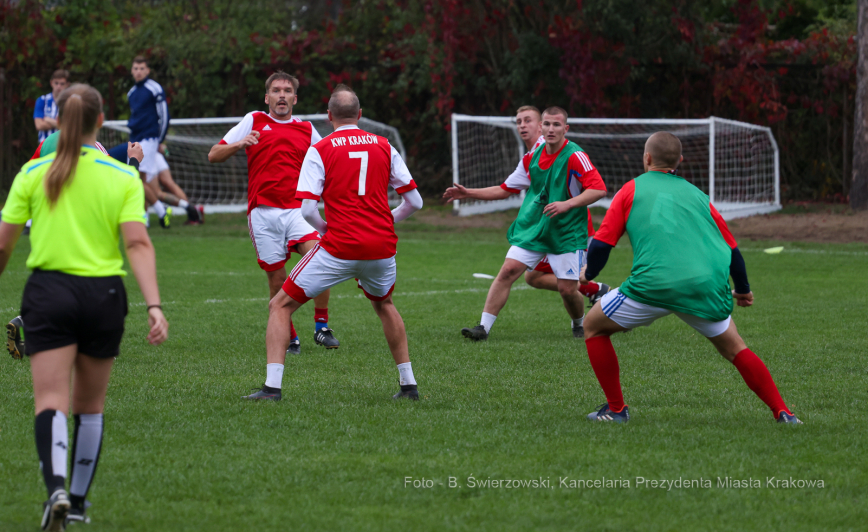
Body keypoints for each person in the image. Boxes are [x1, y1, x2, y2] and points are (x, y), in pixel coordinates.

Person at [0, 84, 169, 530]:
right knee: (92, 407)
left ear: (57, 122)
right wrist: (154, 304)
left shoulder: (33, 172)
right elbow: (138, 243)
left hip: (49, 294)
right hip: (105, 297)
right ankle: (77, 503)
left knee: (50, 401)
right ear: (101, 123)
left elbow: (2, 244)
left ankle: (56, 487)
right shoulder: (122, 175)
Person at [579, 132, 801, 424]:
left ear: (646, 158)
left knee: (593, 325)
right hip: (704, 286)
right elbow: (733, 250)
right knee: (735, 348)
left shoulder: (630, 189)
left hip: (653, 286)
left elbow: (601, 245)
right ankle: (783, 412)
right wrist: (743, 289)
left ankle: (617, 410)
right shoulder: (699, 196)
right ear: (680, 161)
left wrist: (588, 274)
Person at [244, 85, 423, 400]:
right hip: (381, 246)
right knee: (384, 305)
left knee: (280, 305)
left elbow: (307, 209)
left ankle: (272, 388)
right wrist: (384, 221)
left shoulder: (322, 148)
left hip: (340, 246)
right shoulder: (384, 145)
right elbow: (415, 202)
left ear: (328, 117)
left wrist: (326, 227)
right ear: (360, 115)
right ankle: (408, 385)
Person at [444, 106, 607, 340]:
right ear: (543, 127)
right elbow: (504, 189)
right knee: (508, 270)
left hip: (566, 232)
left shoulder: (575, 155)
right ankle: (483, 327)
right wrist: (468, 193)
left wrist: (567, 204)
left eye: (556, 125)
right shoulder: (531, 157)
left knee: (567, 289)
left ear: (565, 128)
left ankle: (579, 323)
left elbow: (599, 189)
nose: (550, 129)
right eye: (547, 124)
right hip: (535, 230)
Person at [209, 72, 339, 353]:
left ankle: (322, 326)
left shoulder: (306, 128)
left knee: (321, 256)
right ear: (267, 98)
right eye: (276, 90)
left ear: (295, 98)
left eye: (287, 90)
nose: (282, 95)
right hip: (263, 213)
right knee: (276, 278)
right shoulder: (253, 120)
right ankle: (290, 335)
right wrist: (239, 144)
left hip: (297, 211)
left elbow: (328, 161)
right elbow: (213, 154)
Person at [126, 56, 172, 228]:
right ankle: (146, 216)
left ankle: (159, 211)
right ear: (132, 71)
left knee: (136, 178)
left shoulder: (154, 88)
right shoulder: (131, 92)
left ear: (147, 71)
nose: (138, 72)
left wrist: (160, 139)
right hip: (135, 139)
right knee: (139, 179)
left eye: (141, 68)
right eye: (135, 68)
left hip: (149, 139)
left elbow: (164, 115)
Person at [34, 69, 69, 142]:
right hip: (45, 145)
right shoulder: (42, 100)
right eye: (56, 83)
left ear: (67, 85)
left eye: (62, 84)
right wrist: (60, 124)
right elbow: (39, 125)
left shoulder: (70, 102)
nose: (58, 86)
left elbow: (70, 127)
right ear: (51, 83)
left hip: (64, 145)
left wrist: (48, 120)